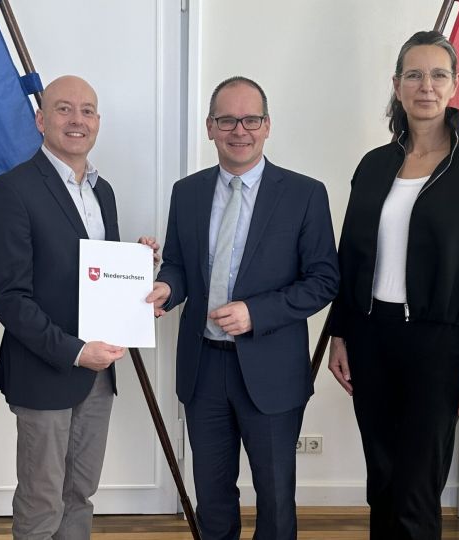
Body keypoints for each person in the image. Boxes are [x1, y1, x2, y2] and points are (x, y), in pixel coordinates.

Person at [326, 31, 459, 539]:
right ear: (397, 85)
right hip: (370, 337)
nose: (425, 86)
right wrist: (339, 333)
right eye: (413, 75)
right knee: (382, 480)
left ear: (455, 85)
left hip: (440, 344)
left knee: (416, 487)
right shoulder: (374, 165)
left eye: (437, 75)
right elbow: (350, 257)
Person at [147, 76, 339, 540]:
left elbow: (323, 281)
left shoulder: (304, 194)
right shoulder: (187, 192)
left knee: (275, 499)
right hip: (203, 370)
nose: (239, 130)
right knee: (212, 498)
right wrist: (166, 288)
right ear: (210, 127)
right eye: (227, 120)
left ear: (267, 126)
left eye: (251, 120)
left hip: (272, 370)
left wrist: (257, 313)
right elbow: (178, 265)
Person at [0, 75, 159, 540]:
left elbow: (96, 278)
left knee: (80, 493)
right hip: (44, 369)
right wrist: (76, 351)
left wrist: (137, 273)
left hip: (98, 374)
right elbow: (8, 297)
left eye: (87, 110)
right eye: (63, 108)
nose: (76, 119)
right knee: (42, 500)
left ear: (98, 121)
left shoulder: (104, 192)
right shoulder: (11, 190)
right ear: (41, 120)